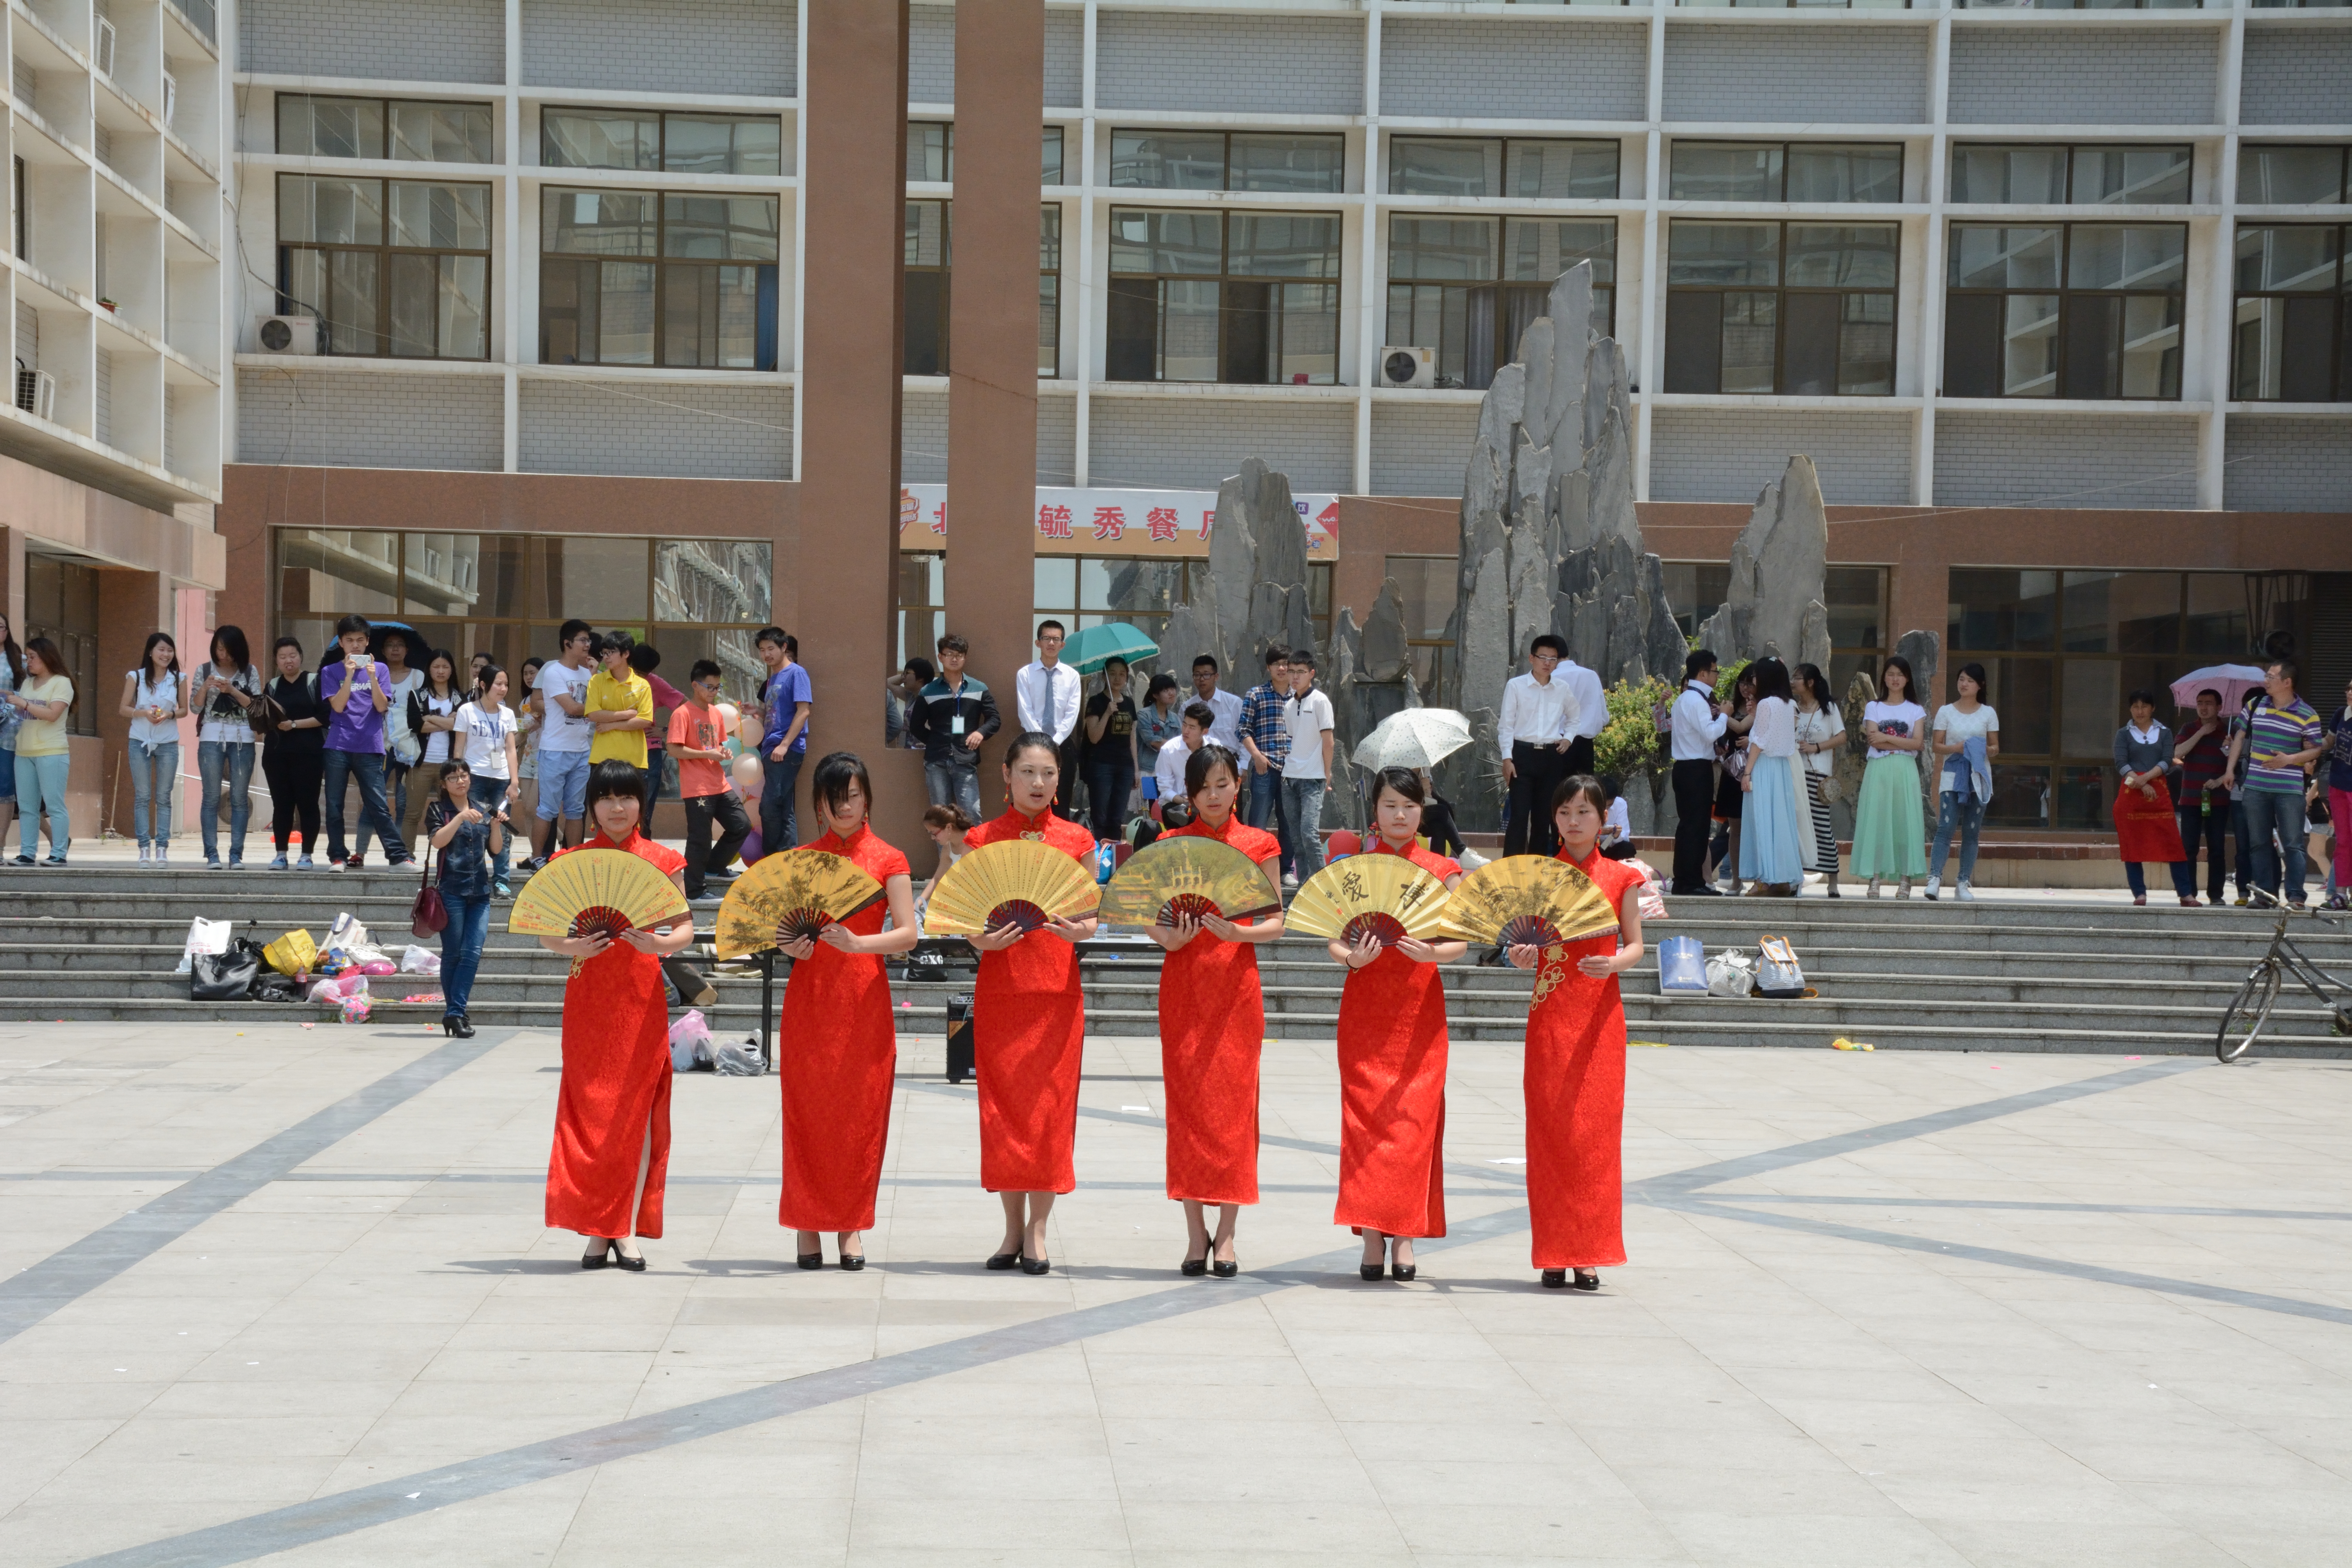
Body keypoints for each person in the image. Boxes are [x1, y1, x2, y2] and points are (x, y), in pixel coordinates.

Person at [538, 760, 693, 1271]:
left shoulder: (663, 860)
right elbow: (545, 932)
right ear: (593, 806)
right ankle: (595, 1227)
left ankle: (622, 1227)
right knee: (589, 1117)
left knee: (635, 1115)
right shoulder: (574, 860)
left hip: (640, 998)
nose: (618, 808)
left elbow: (685, 929)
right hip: (589, 1002)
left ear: (640, 803)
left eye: (627, 797)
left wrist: (659, 942)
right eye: (607, 799)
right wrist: (573, 946)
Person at [773, 751, 920, 1270]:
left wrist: (859, 945)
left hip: (863, 1002)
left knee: (860, 1116)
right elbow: (782, 929)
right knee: (808, 1115)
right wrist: (789, 946)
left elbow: (908, 933)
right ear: (819, 804)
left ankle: (851, 1228)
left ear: (867, 798)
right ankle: (807, 1227)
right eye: (834, 797)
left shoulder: (889, 858)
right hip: (810, 1002)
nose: (844, 806)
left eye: (852, 795)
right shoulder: (801, 860)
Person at [962, 732, 1100, 1274]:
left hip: (1055, 991)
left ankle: (1039, 1232)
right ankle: (1011, 1230)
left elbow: (1091, 920)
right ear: (1006, 776)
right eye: (1028, 773)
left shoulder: (1077, 840)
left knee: (1048, 1111)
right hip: (1002, 990)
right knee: (1003, 1113)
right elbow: (963, 915)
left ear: (1059, 779)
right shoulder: (981, 839)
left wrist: (1074, 931)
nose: (1038, 783)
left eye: (1048, 773)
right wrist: (980, 940)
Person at [1147, 742, 1284, 1278]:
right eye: (1203, 787)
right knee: (1187, 1111)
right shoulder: (1171, 843)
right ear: (1190, 792)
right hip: (1183, 987)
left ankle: (1226, 1236)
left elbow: (1277, 920)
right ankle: (1193, 1233)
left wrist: (1239, 931)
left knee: (1232, 1111)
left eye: (1223, 784)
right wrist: (1170, 941)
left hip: (1235, 990)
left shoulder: (1259, 843)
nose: (1214, 795)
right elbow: (1145, 913)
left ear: (1238, 786)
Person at [1508, 775, 1647, 1292]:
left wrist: (1613, 963)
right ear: (1554, 818)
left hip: (1599, 1021)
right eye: (1565, 812)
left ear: (1604, 818)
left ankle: (1588, 1252)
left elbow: (1636, 945)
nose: (1573, 821)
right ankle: (1553, 1250)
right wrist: (1522, 956)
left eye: (1584, 812)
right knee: (1549, 1136)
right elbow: (1524, 947)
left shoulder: (1620, 877)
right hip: (1550, 1018)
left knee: (1594, 1137)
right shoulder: (1540, 879)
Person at [1330, 768, 1466, 1283]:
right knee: (1366, 1124)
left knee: (1412, 1125)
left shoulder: (1443, 869)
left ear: (1422, 809)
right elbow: (1333, 936)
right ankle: (1370, 1237)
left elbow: (1462, 943)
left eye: (1409, 806)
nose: (1401, 815)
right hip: (1366, 1011)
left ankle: (1405, 1237)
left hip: (1419, 1014)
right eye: (1391, 805)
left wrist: (1431, 953)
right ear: (1376, 811)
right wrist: (1353, 960)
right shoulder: (1358, 868)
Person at [317, 616, 410, 870]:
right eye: (350, 641)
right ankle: (338, 857)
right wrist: (348, 676)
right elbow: (337, 706)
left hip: (370, 746)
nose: (355, 646)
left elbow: (382, 706)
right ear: (341, 644)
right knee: (335, 806)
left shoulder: (380, 670)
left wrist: (371, 678)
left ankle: (398, 856)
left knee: (379, 804)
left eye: (360, 640)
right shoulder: (330, 672)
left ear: (368, 642)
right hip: (338, 745)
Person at [425, 756, 505, 1038]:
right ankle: (456, 1013)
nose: (461, 781)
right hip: (452, 890)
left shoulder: (483, 809)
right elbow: (437, 842)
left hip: (481, 891)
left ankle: (454, 1013)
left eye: (464, 775)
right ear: (444, 784)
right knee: (453, 955)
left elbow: (495, 851)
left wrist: (495, 826)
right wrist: (459, 817)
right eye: (454, 777)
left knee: (472, 953)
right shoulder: (438, 810)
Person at [2238, 659, 2325, 909]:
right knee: (2259, 843)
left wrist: (2290, 760)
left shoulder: (2307, 714)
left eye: (2271, 677)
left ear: (2287, 683)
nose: (2265, 681)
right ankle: (2265, 897)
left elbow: (2315, 750)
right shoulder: (2255, 705)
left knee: (2293, 844)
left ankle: (2296, 896)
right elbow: (2239, 736)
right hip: (2255, 786)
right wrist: (2229, 770)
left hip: (2289, 789)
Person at [1499, 633, 1595, 858]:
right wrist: (1507, 758)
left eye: (1553, 659)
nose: (1548, 663)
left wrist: (1568, 738)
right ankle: (1510, 867)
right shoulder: (1516, 686)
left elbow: (1575, 717)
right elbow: (1506, 726)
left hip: (1551, 757)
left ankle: (1538, 868)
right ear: (1531, 658)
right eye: (1543, 657)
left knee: (1544, 818)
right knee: (1519, 817)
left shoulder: (1562, 688)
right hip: (1521, 754)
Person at [657, 661, 740, 904]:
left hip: (719, 783)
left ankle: (713, 867)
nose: (714, 692)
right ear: (695, 686)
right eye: (710, 687)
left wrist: (723, 753)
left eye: (718, 687)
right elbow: (673, 750)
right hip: (697, 787)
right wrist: (707, 754)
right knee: (700, 838)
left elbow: (718, 745)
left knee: (740, 825)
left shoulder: (715, 713)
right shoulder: (682, 713)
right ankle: (693, 891)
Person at [1852, 655, 1928, 898]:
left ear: (1907, 679)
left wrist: (1889, 740)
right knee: (1877, 820)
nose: (1895, 679)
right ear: (1884, 677)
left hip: (1905, 771)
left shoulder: (1916, 710)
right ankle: (1874, 879)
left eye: (1900, 675)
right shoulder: (1874, 707)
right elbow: (1873, 740)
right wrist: (1902, 742)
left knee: (1905, 821)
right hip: (1879, 770)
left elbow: (1918, 744)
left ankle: (1905, 880)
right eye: (1890, 674)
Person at [2114, 689, 2196, 907]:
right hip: (2131, 792)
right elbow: (2121, 763)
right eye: (2135, 707)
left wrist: (2148, 779)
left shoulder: (2165, 732)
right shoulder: (2123, 733)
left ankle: (2186, 894)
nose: (2140, 711)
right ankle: (2139, 894)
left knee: (2173, 845)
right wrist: (2139, 782)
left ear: (2153, 709)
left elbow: (2167, 759)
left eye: (2144, 706)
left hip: (2158, 791)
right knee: (2133, 846)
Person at [1926, 663, 2000, 902]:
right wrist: (1957, 748)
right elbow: (1937, 746)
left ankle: (1963, 882)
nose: (1964, 684)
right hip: (1952, 773)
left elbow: (1996, 748)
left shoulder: (1988, 713)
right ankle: (1935, 879)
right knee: (1945, 828)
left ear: (1980, 685)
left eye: (1969, 680)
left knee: (1971, 832)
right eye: (1961, 679)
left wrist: (1981, 750)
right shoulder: (1946, 711)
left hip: (1978, 775)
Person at [907, 632, 999, 823]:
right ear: (940, 657)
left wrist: (980, 733)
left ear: (965, 657)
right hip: (936, 762)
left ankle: (972, 854)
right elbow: (916, 726)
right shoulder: (929, 691)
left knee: (972, 814)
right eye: (949, 654)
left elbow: (994, 719)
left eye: (959, 655)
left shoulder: (978, 688)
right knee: (940, 818)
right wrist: (935, 741)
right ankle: (946, 854)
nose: (954, 659)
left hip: (965, 760)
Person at [192, 627, 263, 869]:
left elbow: (256, 706)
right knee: (211, 796)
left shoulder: (249, 671)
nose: (223, 655)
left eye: (229, 650)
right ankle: (212, 854)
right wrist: (206, 687)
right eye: (219, 648)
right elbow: (194, 707)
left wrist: (232, 689)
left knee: (239, 798)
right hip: (211, 736)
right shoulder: (203, 670)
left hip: (243, 737)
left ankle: (236, 855)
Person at [532, 621, 598, 867]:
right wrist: (601, 712)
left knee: (575, 810)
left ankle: (573, 857)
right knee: (547, 809)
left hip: (581, 751)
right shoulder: (553, 672)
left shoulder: (587, 674)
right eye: (583, 640)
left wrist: (593, 676)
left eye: (588, 640)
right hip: (555, 750)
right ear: (567, 643)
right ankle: (537, 857)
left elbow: (592, 704)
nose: (588, 645)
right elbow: (573, 708)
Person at [452, 665, 521, 897]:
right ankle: (476, 878)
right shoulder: (467, 711)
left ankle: (501, 880)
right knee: (475, 828)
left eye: (506, 684)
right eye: (498, 684)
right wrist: (459, 778)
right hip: (476, 778)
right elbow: (459, 749)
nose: (503, 689)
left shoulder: (508, 714)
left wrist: (514, 782)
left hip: (502, 779)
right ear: (483, 685)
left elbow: (511, 750)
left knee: (501, 828)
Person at [1737, 657, 1804, 897]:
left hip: (1764, 767)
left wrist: (1747, 772)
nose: (1753, 680)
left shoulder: (1766, 704)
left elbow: (1759, 742)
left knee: (1762, 821)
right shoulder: (1789, 704)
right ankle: (1781, 880)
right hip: (1782, 769)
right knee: (1780, 823)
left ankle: (1764, 879)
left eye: (1756, 676)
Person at [6, 638, 75, 864]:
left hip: (52, 752)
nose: (28, 662)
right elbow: (19, 708)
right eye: (26, 657)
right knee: (27, 807)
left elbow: (53, 714)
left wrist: (24, 704)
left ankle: (59, 854)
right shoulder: (27, 684)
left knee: (54, 806)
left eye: (32, 657)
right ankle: (27, 853)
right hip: (24, 752)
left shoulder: (62, 683)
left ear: (47, 657)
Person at [359, 628, 425, 866]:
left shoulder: (418, 677)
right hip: (379, 744)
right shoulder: (372, 674)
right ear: (383, 651)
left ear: (407, 650)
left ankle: (400, 855)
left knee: (404, 803)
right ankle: (360, 853)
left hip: (408, 747)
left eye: (400, 645)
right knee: (372, 800)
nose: (395, 649)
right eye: (390, 645)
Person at [120, 632, 185, 864]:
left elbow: (185, 710)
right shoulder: (135, 677)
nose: (166, 654)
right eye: (161, 650)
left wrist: (169, 714)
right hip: (139, 741)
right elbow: (123, 709)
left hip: (168, 742)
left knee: (164, 797)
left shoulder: (179, 678)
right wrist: (144, 713)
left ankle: (163, 849)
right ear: (150, 652)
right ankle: (144, 848)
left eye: (169, 650)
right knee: (142, 796)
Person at [261, 637, 326, 869]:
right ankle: (281, 854)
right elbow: (264, 717)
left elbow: (324, 717)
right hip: (276, 755)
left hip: (309, 755)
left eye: (292, 656)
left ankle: (307, 854)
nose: (288, 661)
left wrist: (295, 724)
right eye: (282, 657)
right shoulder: (273, 686)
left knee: (308, 804)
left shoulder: (314, 681)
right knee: (282, 805)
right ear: (277, 661)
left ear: (300, 656)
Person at [1668, 650, 1727, 895]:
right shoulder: (1696, 700)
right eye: (1715, 671)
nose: (1716, 676)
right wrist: (1725, 714)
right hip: (1695, 768)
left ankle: (1686, 880)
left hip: (1685, 768)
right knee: (1697, 827)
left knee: (1690, 826)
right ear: (1703, 673)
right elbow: (1710, 733)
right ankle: (1691, 882)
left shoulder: (1685, 699)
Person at [397, 649, 464, 859]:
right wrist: (446, 723)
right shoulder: (418, 695)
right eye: (436, 667)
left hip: (450, 766)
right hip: (422, 763)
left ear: (452, 669)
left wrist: (430, 718)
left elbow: (461, 726)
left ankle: (452, 856)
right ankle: (407, 856)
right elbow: (416, 726)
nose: (441, 671)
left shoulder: (460, 698)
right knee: (413, 813)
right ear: (429, 669)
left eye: (445, 667)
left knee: (453, 813)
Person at [2172, 687, 2234, 907]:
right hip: (2190, 798)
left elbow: (2235, 764)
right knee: (2189, 847)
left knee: (2217, 848)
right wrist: (2202, 733)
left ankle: (2216, 894)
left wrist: (2230, 747)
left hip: (2218, 799)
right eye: (2200, 703)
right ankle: (2189, 894)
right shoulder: (2189, 728)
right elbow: (2177, 753)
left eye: (2209, 703)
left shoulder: (2230, 730)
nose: (2204, 707)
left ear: (2220, 707)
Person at [754, 625, 813, 853]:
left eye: (771, 648)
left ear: (784, 647)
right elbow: (776, 714)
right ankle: (788, 859)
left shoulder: (797, 673)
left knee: (769, 807)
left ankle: (771, 859)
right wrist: (757, 712)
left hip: (786, 750)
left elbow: (804, 711)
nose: (766, 654)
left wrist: (785, 745)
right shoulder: (773, 679)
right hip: (771, 748)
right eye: (762, 650)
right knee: (783, 807)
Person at [1015, 620, 1082, 819]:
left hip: (1063, 745)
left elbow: (1072, 713)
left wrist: (1054, 742)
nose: (1051, 643)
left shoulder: (1072, 676)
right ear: (1038, 643)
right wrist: (1041, 741)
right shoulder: (1025, 674)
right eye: (1046, 638)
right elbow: (1024, 710)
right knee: (1031, 799)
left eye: (1056, 639)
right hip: (1032, 745)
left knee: (1061, 801)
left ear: (1063, 644)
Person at [1281, 651, 1336, 885]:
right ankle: (1305, 886)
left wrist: (1327, 773)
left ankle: (1322, 887)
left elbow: (1328, 740)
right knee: (1296, 838)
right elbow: (1296, 740)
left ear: (1311, 674)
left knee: (1309, 835)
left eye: (1301, 672)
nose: (1295, 677)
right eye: (1291, 671)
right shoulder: (1289, 705)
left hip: (1313, 778)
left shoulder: (1321, 701)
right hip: (1289, 777)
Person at [1793, 662, 1846, 897]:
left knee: (1822, 827)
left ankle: (1832, 879)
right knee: (1796, 828)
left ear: (1811, 682)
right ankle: (1796, 878)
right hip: (1794, 774)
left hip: (1818, 776)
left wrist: (1816, 748)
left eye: (1798, 678)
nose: (1793, 682)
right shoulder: (1791, 707)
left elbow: (1842, 737)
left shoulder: (1828, 709)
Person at [584, 632, 655, 804]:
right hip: (602, 759)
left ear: (626, 654)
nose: (606, 658)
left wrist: (611, 725)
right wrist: (627, 715)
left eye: (611, 653)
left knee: (635, 813)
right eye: (604, 653)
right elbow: (593, 714)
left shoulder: (642, 685)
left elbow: (645, 720)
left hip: (634, 760)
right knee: (602, 812)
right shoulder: (596, 681)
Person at [1238, 648, 1293, 866]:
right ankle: (1254, 867)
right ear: (1268, 668)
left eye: (1286, 664)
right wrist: (1257, 757)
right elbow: (1243, 729)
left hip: (1292, 771)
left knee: (1288, 823)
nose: (1281, 668)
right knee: (1258, 821)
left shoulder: (1299, 697)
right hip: (1264, 768)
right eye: (1276, 664)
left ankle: (1286, 869)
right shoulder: (1256, 695)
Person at [1709, 666, 1758, 890]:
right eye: (1742, 682)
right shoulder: (1733, 707)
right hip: (1732, 773)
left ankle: (1760, 880)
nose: (1745, 688)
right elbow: (1723, 734)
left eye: (1750, 683)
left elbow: (1739, 726)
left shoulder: (1760, 708)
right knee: (1734, 830)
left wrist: (1722, 714)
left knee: (1758, 828)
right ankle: (1736, 881)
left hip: (1754, 772)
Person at [1080, 655, 1139, 840]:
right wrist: (1107, 713)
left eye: (1122, 674)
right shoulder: (1096, 702)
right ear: (1104, 677)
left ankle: (1113, 858)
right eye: (1112, 674)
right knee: (1100, 816)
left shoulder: (1129, 703)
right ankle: (1097, 856)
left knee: (1116, 817)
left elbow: (1132, 738)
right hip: (1101, 765)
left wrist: (1136, 770)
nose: (1117, 678)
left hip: (1125, 766)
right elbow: (1094, 737)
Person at [630, 642, 687, 825]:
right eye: (636, 671)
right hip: (621, 747)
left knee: (644, 809)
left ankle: (643, 845)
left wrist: (665, 731)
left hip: (649, 751)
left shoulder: (655, 683)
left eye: (643, 673)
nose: (639, 676)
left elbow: (687, 708)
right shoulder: (615, 678)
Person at [913, 801, 972, 924]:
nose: (933, 838)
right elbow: (937, 879)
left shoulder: (974, 840)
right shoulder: (948, 848)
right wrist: (917, 904)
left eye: (934, 833)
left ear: (949, 827)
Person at [1136, 672, 1185, 817]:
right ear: (1155, 695)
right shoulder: (1144, 715)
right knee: (1150, 807)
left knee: (1169, 807)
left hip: (1170, 771)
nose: (1171, 693)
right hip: (1149, 770)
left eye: (1172, 689)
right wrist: (1174, 745)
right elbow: (1152, 740)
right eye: (1165, 690)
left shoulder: (1175, 718)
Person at [2325, 679, 2352, 912]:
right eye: (2349, 688)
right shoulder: (2341, 714)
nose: (2351, 693)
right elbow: (2328, 742)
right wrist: (2305, 748)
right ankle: (2341, 894)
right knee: (2343, 841)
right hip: (2339, 784)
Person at [1155, 701, 1212, 806]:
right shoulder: (1169, 750)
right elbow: (1165, 790)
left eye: (1192, 727)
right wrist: (1187, 803)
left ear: (1205, 731)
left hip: (1207, 801)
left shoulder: (1214, 748)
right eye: (1185, 725)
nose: (1186, 731)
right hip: (1177, 803)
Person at [1188, 655, 1246, 756]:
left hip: (1230, 761)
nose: (1202, 679)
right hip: (1199, 762)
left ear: (1216, 677)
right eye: (1197, 675)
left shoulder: (1234, 703)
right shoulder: (1187, 707)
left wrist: (1244, 766)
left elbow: (1244, 735)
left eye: (1206, 675)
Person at [513, 655, 545, 833]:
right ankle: (536, 856)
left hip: (545, 756)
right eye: (525, 674)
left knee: (534, 808)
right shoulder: (525, 703)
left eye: (533, 673)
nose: (529, 677)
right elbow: (523, 735)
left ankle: (559, 840)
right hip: (528, 757)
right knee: (527, 810)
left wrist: (542, 723)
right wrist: (507, 746)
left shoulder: (551, 698)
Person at [0, 614, 21, 853]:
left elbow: (25, 695)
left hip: (8, 732)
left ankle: (1, 843)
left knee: (5, 788)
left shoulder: (18, 660)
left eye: (1, 627)